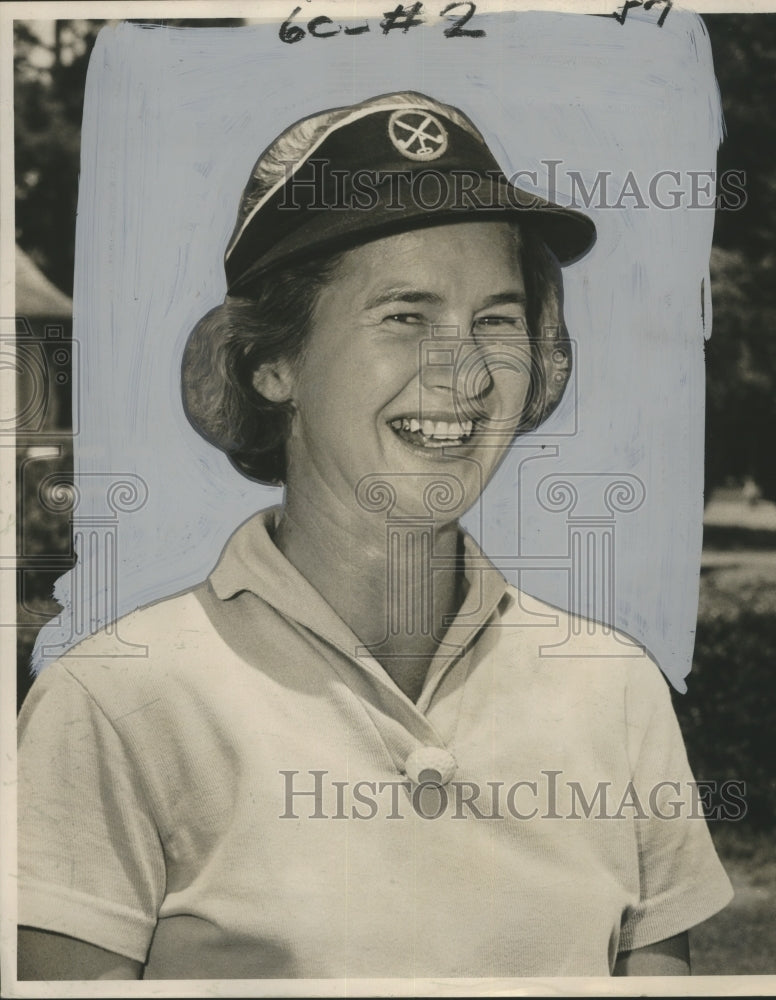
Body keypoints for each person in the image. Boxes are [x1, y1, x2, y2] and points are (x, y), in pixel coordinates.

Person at [17, 91, 733, 981]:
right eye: (405, 314)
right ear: (273, 362)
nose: (466, 370)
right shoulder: (115, 704)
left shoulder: (616, 690)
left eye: (498, 320)